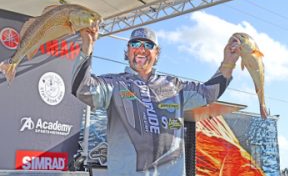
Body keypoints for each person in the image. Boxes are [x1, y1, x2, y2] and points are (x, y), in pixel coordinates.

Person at [72, 26, 240, 175]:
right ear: (128, 50)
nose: (141, 49)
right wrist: (87, 47)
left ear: (156, 52)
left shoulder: (175, 86)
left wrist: (228, 63)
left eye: (148, 45)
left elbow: (208, 93)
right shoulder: (114, 84)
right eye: (135, 44)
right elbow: (82, 89)